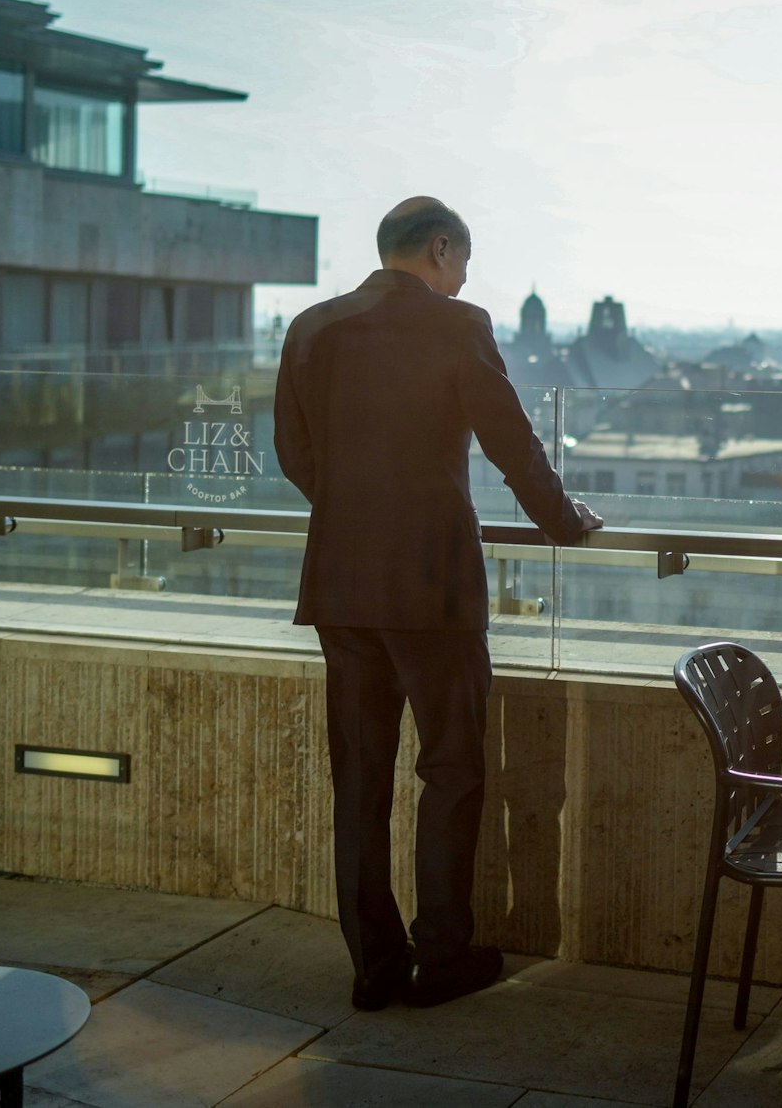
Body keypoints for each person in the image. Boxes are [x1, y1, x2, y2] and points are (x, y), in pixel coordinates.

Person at [274, 196, 601, 1010]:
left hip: (342, 585)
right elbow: (512, 443)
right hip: (434, 588)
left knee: (359, 778)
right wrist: (566, 522)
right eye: (463, 265)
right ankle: (443, 956)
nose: (462, 281)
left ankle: (375, 967)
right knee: (452, 769)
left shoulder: (311, 327)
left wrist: (353, 516)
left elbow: (293, 451)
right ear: (442, 248)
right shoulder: (458, 325)